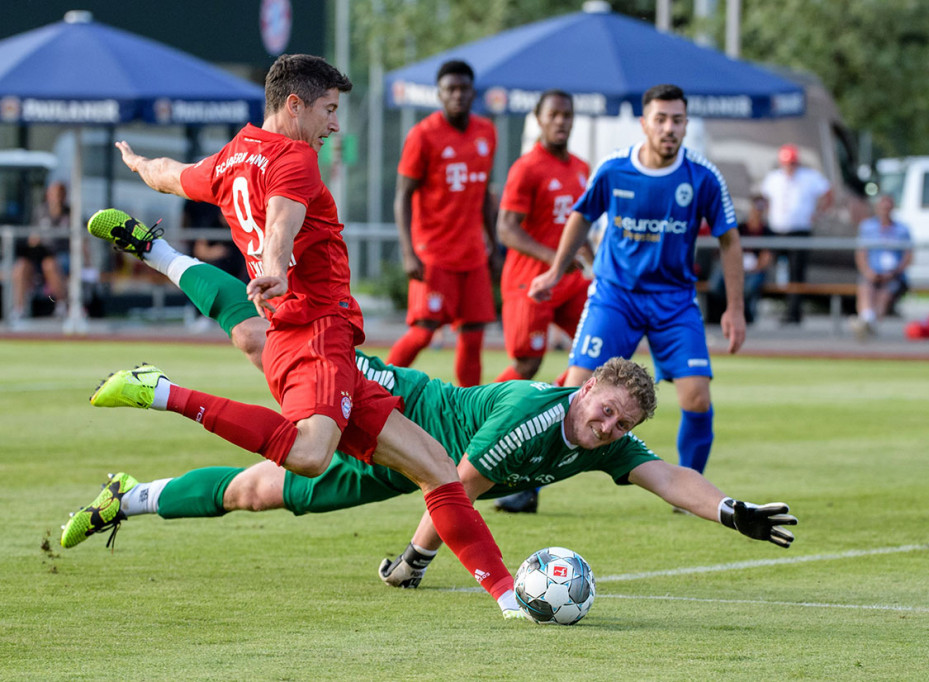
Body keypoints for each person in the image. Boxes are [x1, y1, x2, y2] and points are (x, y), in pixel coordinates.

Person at [85, 53, 518, 618]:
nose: (334, 125)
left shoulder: (233, 155)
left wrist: (139, 163)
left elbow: (172, 175)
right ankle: (164, 392)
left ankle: (511, 598)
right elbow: (282, 220)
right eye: (329, 110)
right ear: (295, 105)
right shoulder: (294, 158)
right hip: (315, 332)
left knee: (437, 466)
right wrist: (276, 267)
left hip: (307, 333)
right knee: (311, 455)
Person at [62, 349, 799, 589]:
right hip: (393, 405)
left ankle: (130, 497)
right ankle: (164, 268)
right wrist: (414, 562)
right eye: (605, 410)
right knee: (269, 348)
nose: (608, 428)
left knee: (258, 493)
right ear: (583, 390)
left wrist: (730, 510)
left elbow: (668, 477)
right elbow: (456, 487)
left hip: (403, 466)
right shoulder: (533, 414)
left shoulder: (605, 445)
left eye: (621, 425)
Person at [528, 84, 746, 485]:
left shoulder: (703, 177)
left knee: (697, 397)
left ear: (686, 125)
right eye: (660, 120)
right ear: (644, 124)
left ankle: (690, 489)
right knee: (575, 392)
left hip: (674, 302)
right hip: (616, 297)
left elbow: (729, 240)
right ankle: (529, 484)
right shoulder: (614, 169)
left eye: (677, 120)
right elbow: (581, 216)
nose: (669, 128)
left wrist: (735, 308)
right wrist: (556, 270)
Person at [388, 60, 501, 387]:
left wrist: (493, 246)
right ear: (439, 94)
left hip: (473, 254)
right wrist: (409, 252)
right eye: (450, 89)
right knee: (423, 331)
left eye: (463, 88)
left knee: (473, 335)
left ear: (473, 92)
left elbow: (484, 194)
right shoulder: (423, 135)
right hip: (434, 252)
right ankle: (374, 388)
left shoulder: (486, 132)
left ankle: (469, 407)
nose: (457, 95)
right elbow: (402, 196)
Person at [494, 89, 591, 383]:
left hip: (569, 281)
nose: (561, 121)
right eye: (553, 115)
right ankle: (475, 407)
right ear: (539, 119)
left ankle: (557, 400)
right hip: (531, 281)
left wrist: (598, 266)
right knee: (527, 364)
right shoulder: (527, 168)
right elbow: (506, 229)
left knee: (599, 348)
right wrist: (555, 259)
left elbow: (580, 224)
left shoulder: (581, 168)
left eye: (567, 115)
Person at [758, 144, 833, 324]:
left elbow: (828, 192)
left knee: (796, 273)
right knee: (765, 265)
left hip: (799, 230)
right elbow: (762, 198)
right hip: (777, 230)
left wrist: (818, 214)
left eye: (792, 163)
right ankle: (755, 307)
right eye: (787, 163)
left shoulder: (809, 177)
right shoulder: (774, 178)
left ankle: (793, 312)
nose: (789, 167)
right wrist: (766, 214)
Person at [853, 194, 913, 339]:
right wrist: (868, 272)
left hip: (893, 275)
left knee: (884, 294)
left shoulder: (902, 229)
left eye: (888, 207)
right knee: (866, 288)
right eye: (882, 207)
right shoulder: (867, 227)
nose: (885, 210)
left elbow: (908, 256)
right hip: (872, 273)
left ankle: (868, 324)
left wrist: (894, 273)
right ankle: (868, 321)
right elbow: (861, 254)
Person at [707, 194, 774, 324]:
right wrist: (735, 267)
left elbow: (766, 257)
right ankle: (719, 315)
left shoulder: (767, 232)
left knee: (748, 286)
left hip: (754, 270)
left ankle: (745, 316)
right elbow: (727, 251)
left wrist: (753, 268)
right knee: (716, 283)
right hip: (735, 266)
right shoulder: (740, 228)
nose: (758, 211)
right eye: (756, 206)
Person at [11, 180, 69, 321]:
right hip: (40, 255)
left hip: (61, 256)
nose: (56, 197)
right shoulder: (40, 211)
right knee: (21, 267)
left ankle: (62, 305)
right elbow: (33, 236)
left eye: (59, 194)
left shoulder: (70, 213)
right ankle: (19, 309)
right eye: (53, 194)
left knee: (49, 265)